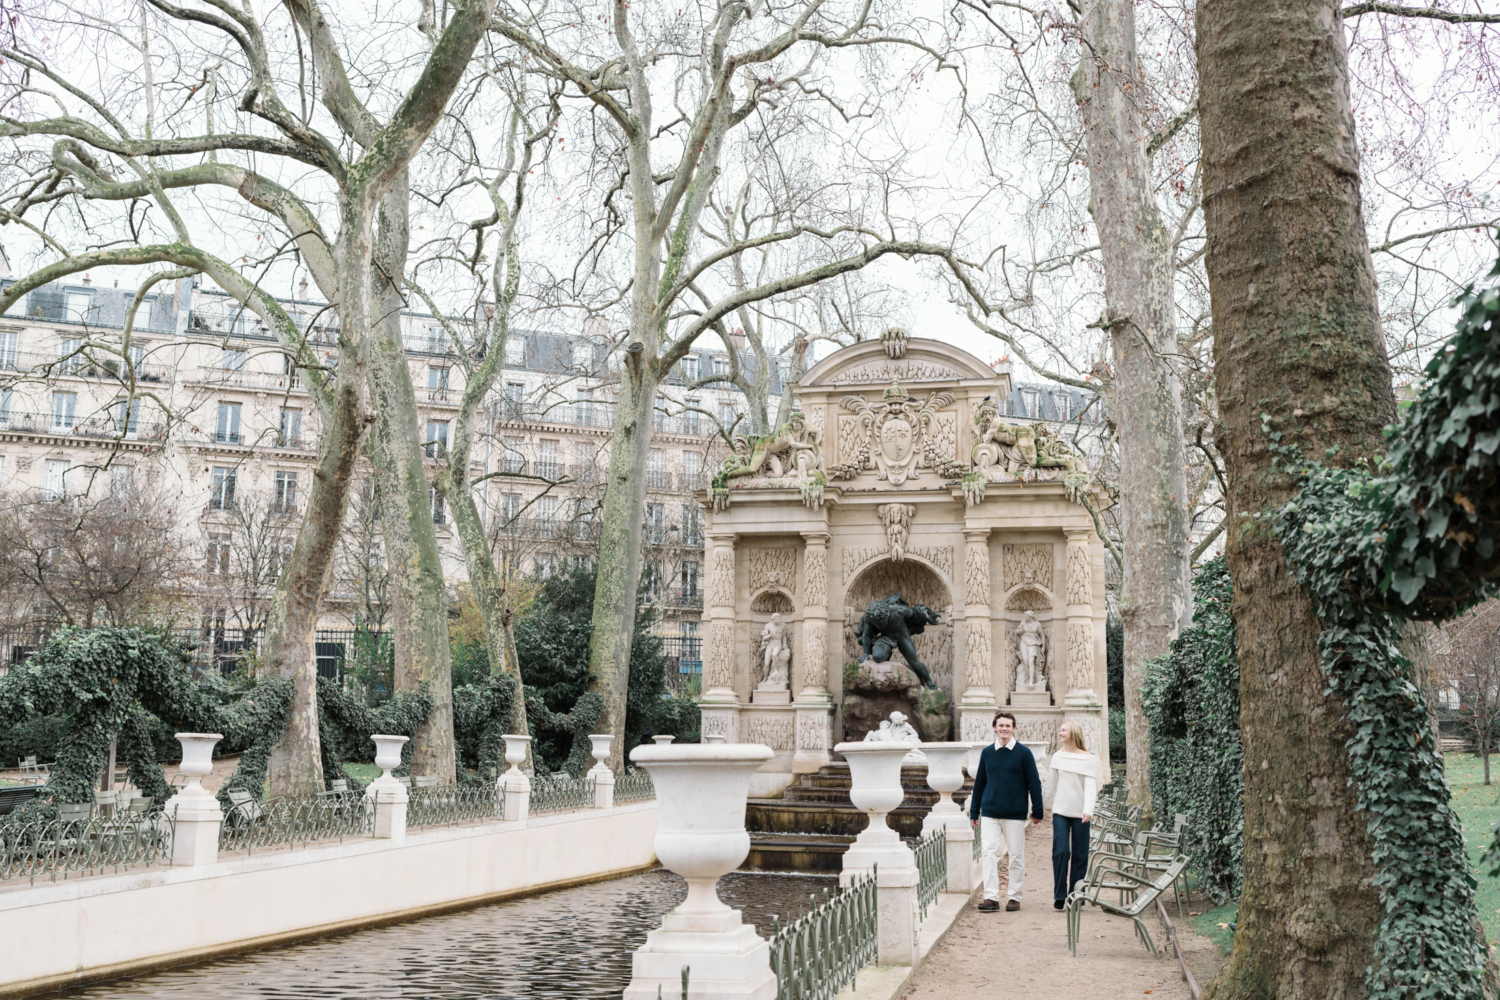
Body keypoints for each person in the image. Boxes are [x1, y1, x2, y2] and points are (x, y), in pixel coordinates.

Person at [969, 711, 1044, 912]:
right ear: (995, 727)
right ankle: (991, 897)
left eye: (1008, 726)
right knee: (988, 852)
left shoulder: (1024, 753)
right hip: (990, 812)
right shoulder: (986, 753)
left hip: (1014, 813)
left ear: (1013, 728)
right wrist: (974, 811)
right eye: (1001, 725)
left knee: (1016, 855)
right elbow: (980, 784)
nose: (1004, 729)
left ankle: (1014, 897)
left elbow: (1034, 784)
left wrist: (1037, 810)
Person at [1049, 720, 1099, 910]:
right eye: (1060, 729)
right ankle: (1060, 895)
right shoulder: (1058, 757)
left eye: (1064, 730)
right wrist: (1038, 810)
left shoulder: (1088, 758)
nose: (1060, 733)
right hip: (1061, 811)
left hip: (1081, 814)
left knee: (1080, 854)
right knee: (1061, 851)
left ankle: (1076, 895)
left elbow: (1090, 787)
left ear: (1073, 733)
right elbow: (1050, 785)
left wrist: (1088, 809)